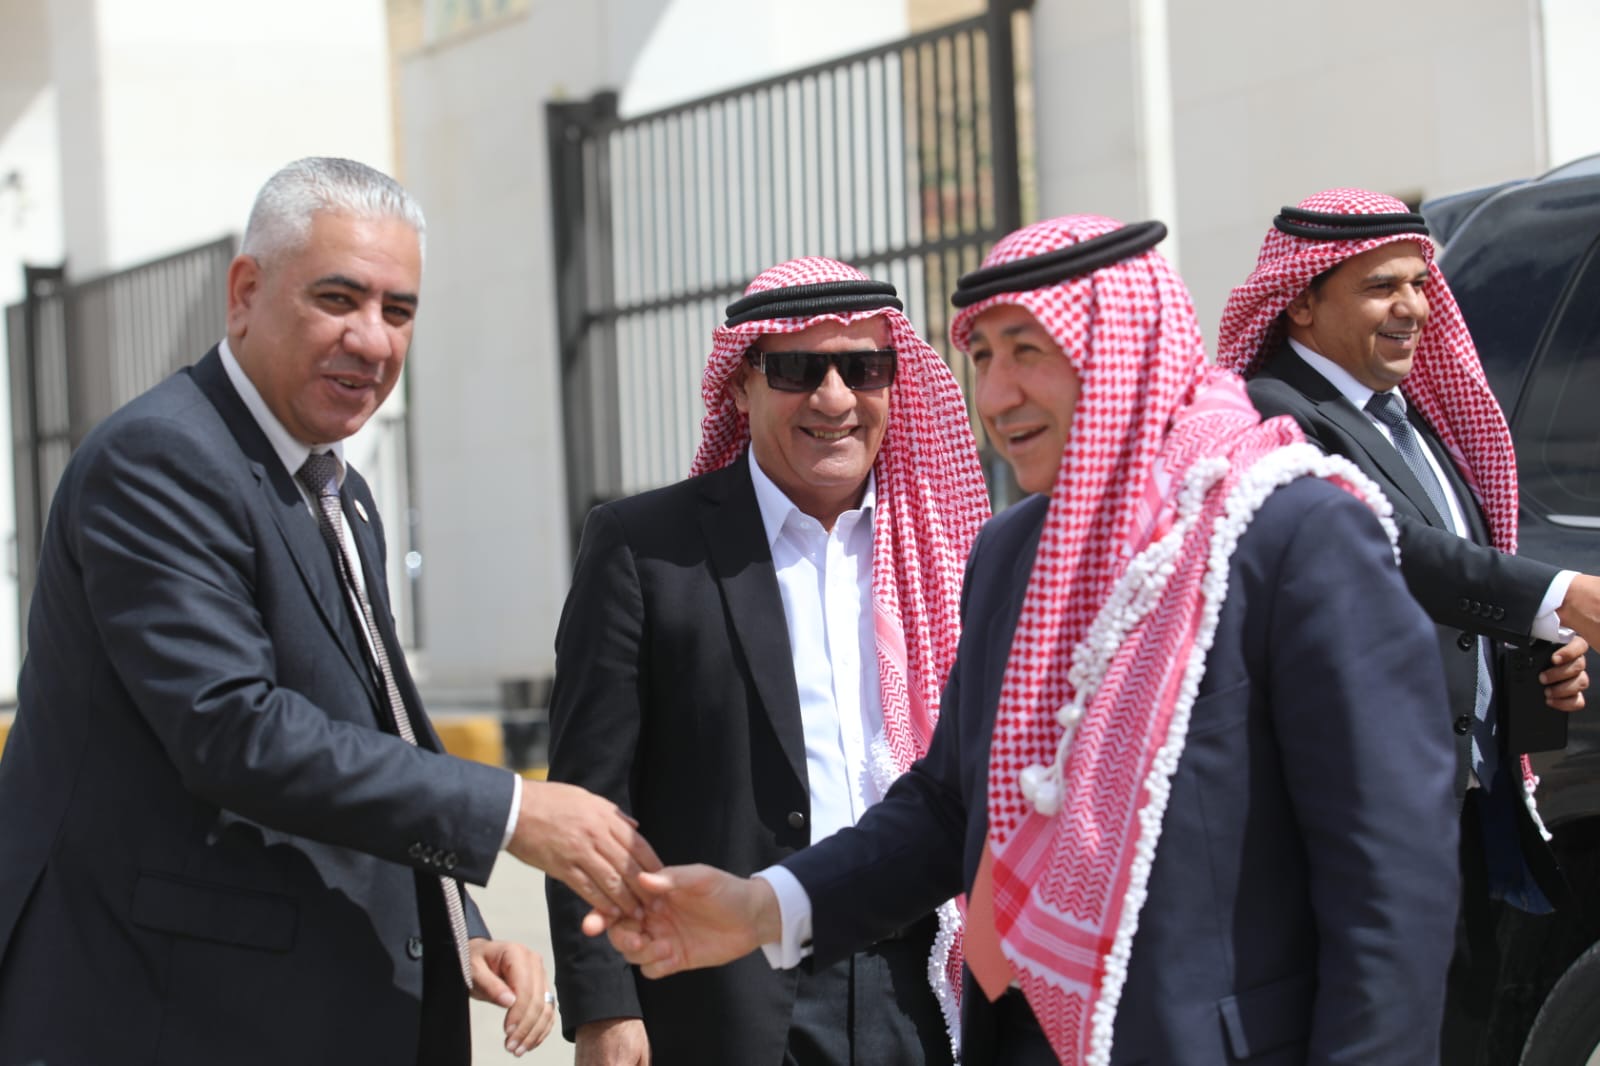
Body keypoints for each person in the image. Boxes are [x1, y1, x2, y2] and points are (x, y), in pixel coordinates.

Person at [592, 216, 1463, 1065]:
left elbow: (1390, 883)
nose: (998, 396)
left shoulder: (1292, 533)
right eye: (982, 358)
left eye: (1028, 352)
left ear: (1121, 349)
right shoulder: (1013, 552)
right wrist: (765, 908)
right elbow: (950, 805)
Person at [0, 157, 660, 1066]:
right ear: (245, 293)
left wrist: (456, 923)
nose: (372, 340)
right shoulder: (161, 459)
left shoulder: (338, 490)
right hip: (164, 1014)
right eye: (338, 299)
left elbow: (369, 727)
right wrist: (512, 811)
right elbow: (234, 730)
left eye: (399, 311)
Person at [544, 256, 991, 1065]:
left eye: (864, 368)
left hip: (921, 981)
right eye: (797, 369)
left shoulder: (948, 550)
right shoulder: (647, 549)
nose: (834, 398)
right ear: (741, 385)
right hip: (726, 991)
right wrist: (604, 1007)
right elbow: (590, 798)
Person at [1214, 188, 1595, 1062]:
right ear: (1300, 299)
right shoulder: (1275, 415)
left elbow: (1459, 582)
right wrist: (1560, 594)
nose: (1414, 308)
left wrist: (1539, 653)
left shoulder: (1411, 419)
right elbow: (1397, 549)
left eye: (1421, 285)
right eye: (1382, 287)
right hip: (1359, 822)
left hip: (1463, 814)